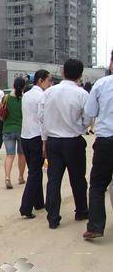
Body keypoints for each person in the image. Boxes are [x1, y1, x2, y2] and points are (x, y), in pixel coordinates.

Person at [41, 59, 92, 229]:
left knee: (54, 180)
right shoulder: (82, 94)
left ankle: (53, 217)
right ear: (80, 74)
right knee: (77, 178)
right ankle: (82, 210)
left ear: (63, 72)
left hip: (53, 141)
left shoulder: (49, 92)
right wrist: (80, 126)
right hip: (73, 141)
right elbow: (88, 118)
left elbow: (41, 116)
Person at [82, 71, 113, 239]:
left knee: (98, 185)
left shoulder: (102, 84)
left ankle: (95, 227)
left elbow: (90, 111)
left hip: (106, 140)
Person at [19, 70, 52, 219]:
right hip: (36, 137)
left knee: (34, 170)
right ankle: (25, 207)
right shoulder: (42, 96)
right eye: (48, 80)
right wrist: (45, 140)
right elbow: (43, 119)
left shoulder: (26, 95)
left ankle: (38, 202)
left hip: (25, 136)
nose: (50, 83)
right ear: (40, 80)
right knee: (35, 172)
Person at [1, 77, 27, 190]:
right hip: (22, 130)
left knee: (9, 155)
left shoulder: (6, 97)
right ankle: (21, 177)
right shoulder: (25, 98)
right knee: (21, 155)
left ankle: (7, 177)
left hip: (7, 129)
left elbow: (1, 111)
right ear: (24, 86)